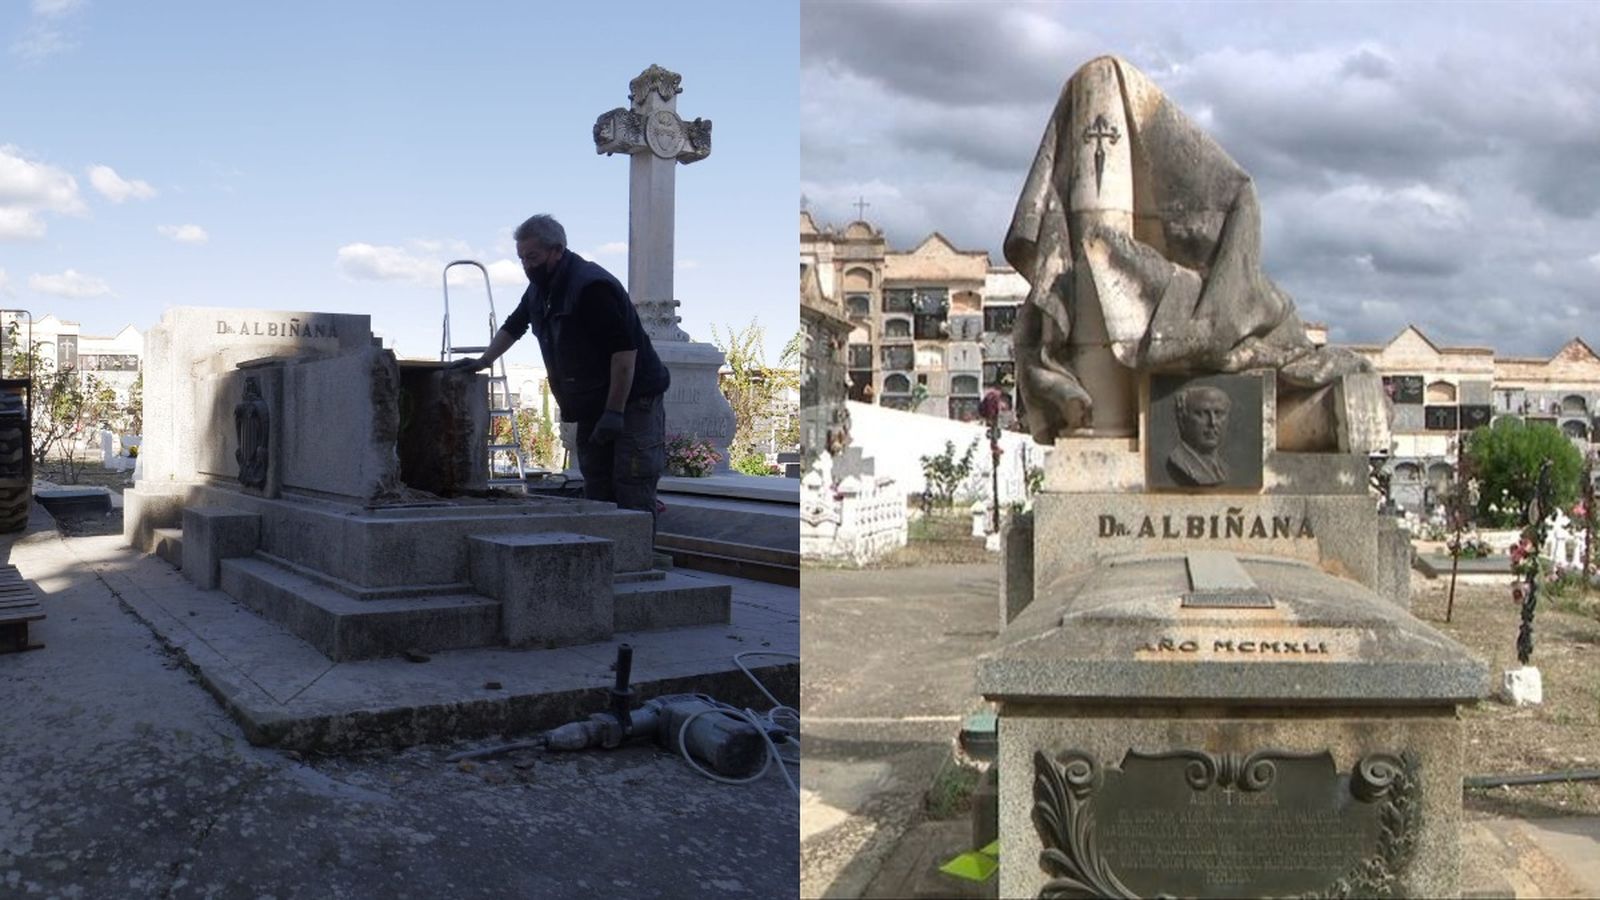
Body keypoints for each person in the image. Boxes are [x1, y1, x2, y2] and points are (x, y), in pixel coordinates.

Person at [449, 214, 670, 521]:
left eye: (533, 257)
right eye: (522, 258)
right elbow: (515, 325)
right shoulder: (541, 289)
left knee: (632, 485)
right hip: (592, 402)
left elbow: (624, 354)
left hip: (633, 398)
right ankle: (603, 561)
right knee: (596, 485)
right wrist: (483, 361)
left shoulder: (592, 287)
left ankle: (637, 562)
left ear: (557, 250)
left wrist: (615, 412)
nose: (527, 265)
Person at [1166, 385, 1231, 486]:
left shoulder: (1223, 468)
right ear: (1182, 420)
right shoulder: (1180, 463)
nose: (1212, 422)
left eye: (1218, 413)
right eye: (1202, 414)